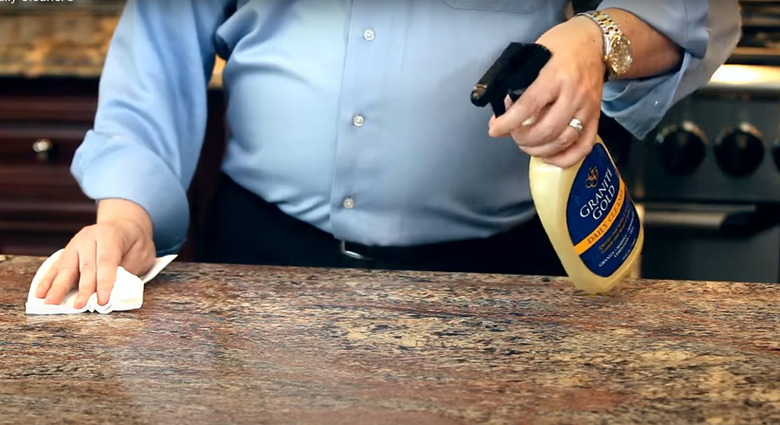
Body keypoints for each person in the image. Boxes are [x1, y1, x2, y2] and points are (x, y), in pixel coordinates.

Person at [36, 0, 740, 308]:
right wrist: (126, 215)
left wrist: (594, 40)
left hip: (505, 289)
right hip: (264, 271)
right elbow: (155, 57)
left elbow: (689, 11)